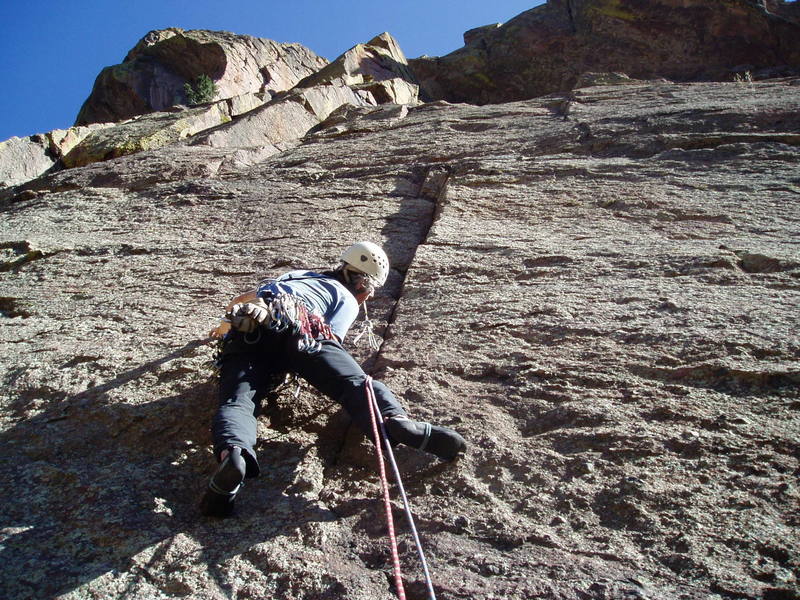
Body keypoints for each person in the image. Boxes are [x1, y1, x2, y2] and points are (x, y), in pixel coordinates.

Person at [201, 241, 467, 517]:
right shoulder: (346, 297)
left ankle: (233, 456)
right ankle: (399, 424)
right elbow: (330, 345)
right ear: (363, 285)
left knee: (237, 402)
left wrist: (221, 328)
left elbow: (243, 299)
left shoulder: (297, 275)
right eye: (369, 293)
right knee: (355, 385)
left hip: (250, 329)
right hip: (301, 327)